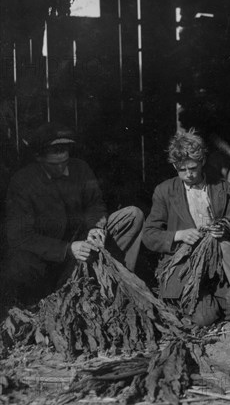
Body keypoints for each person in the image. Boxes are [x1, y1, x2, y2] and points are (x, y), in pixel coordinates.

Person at [1, 122, 144, 308]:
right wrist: (67, 249)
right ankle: (40, 301)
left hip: (84, 245)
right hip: (48, 257)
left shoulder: (81, 169)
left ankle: (120, 284)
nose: (62, 168)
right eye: (54, 164)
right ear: (39, 158)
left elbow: (95, 204)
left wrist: (96, 227)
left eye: (65, 161)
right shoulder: (23, 182)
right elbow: (19, 236)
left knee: (133, 215)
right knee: (19, 262)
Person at [142, 130, 230, 327]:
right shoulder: (165, 191)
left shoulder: (222, 188)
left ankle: (215, 295)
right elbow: (149, 235)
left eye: (193, 168)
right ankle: (201, 301)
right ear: (175, 166)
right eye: (182, 170)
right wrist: (179, 235)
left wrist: (224, 230)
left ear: (202, 161)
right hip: (185, 264)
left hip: (219, 261)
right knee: (205, 318)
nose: (189, 174)